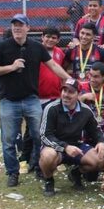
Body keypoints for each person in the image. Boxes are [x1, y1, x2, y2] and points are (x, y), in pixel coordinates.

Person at [0, 14, 71, 187]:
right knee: (8, 140)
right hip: (9, 100)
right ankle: (12, 172)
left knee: (41, 136)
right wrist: (12, 67)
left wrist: (70, 81)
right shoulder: (1, 47)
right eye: (14, 25)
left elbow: (54, 66)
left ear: (28, 28)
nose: (17, 28)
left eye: (20, 25)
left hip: (32, 99)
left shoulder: (36, 48)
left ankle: (42, 168)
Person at [39, 78, 104, 197]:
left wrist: (101, 142)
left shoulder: (86, 110)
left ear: (78, 94)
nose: (65, 95)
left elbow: (97, 131)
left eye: (70, 92)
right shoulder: (51, 108)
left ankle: (76, 173)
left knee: (100, 160)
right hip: (55, 147)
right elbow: (45, 135)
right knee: (47, 156)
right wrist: (65, 147)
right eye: (64, 90)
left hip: (76, 145)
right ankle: (49, 180)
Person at [19, 27, 67, 175]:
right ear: (42, 37)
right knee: (31, 131)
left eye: (54, 37)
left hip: (54, 98)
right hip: (36, 98)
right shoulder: (35, 50)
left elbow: (62, 70)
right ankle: (24, 161)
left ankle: (48, 161)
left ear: (58, 40)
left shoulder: (60, 53)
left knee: (51, 131)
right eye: (47, 37)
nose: (50, 40)